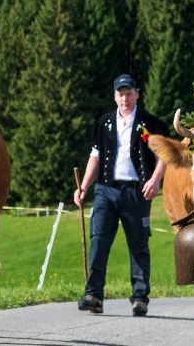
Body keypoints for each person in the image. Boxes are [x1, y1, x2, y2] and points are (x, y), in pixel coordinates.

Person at [72, 74, 168, 317]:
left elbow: (163, 157)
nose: (124, 98)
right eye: (120, 94)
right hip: (106, 189)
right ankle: (93, 295)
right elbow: (95, 157)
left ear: (137, 94)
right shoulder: (104, 124)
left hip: (137, 191)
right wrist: (83, 186)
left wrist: (155, 181)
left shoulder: (151, 123)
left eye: (128, 93)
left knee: (138, 244)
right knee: (99, 240)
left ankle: (139, 298)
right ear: (115, 96)